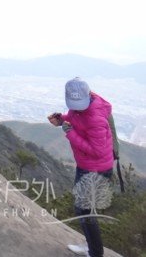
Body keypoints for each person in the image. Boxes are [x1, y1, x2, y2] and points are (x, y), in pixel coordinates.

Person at [48, 78, 114, 257]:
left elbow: (97, 151)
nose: (78, 108)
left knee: (84, 210)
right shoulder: (81, 108)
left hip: (96, 170)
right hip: (86, 166)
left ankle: (95, 252)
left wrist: (70, 133)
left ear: (88, 96)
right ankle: (91, 246)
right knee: (84, 209)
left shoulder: (95, 118)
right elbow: (76, 118)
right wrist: (61, 120)